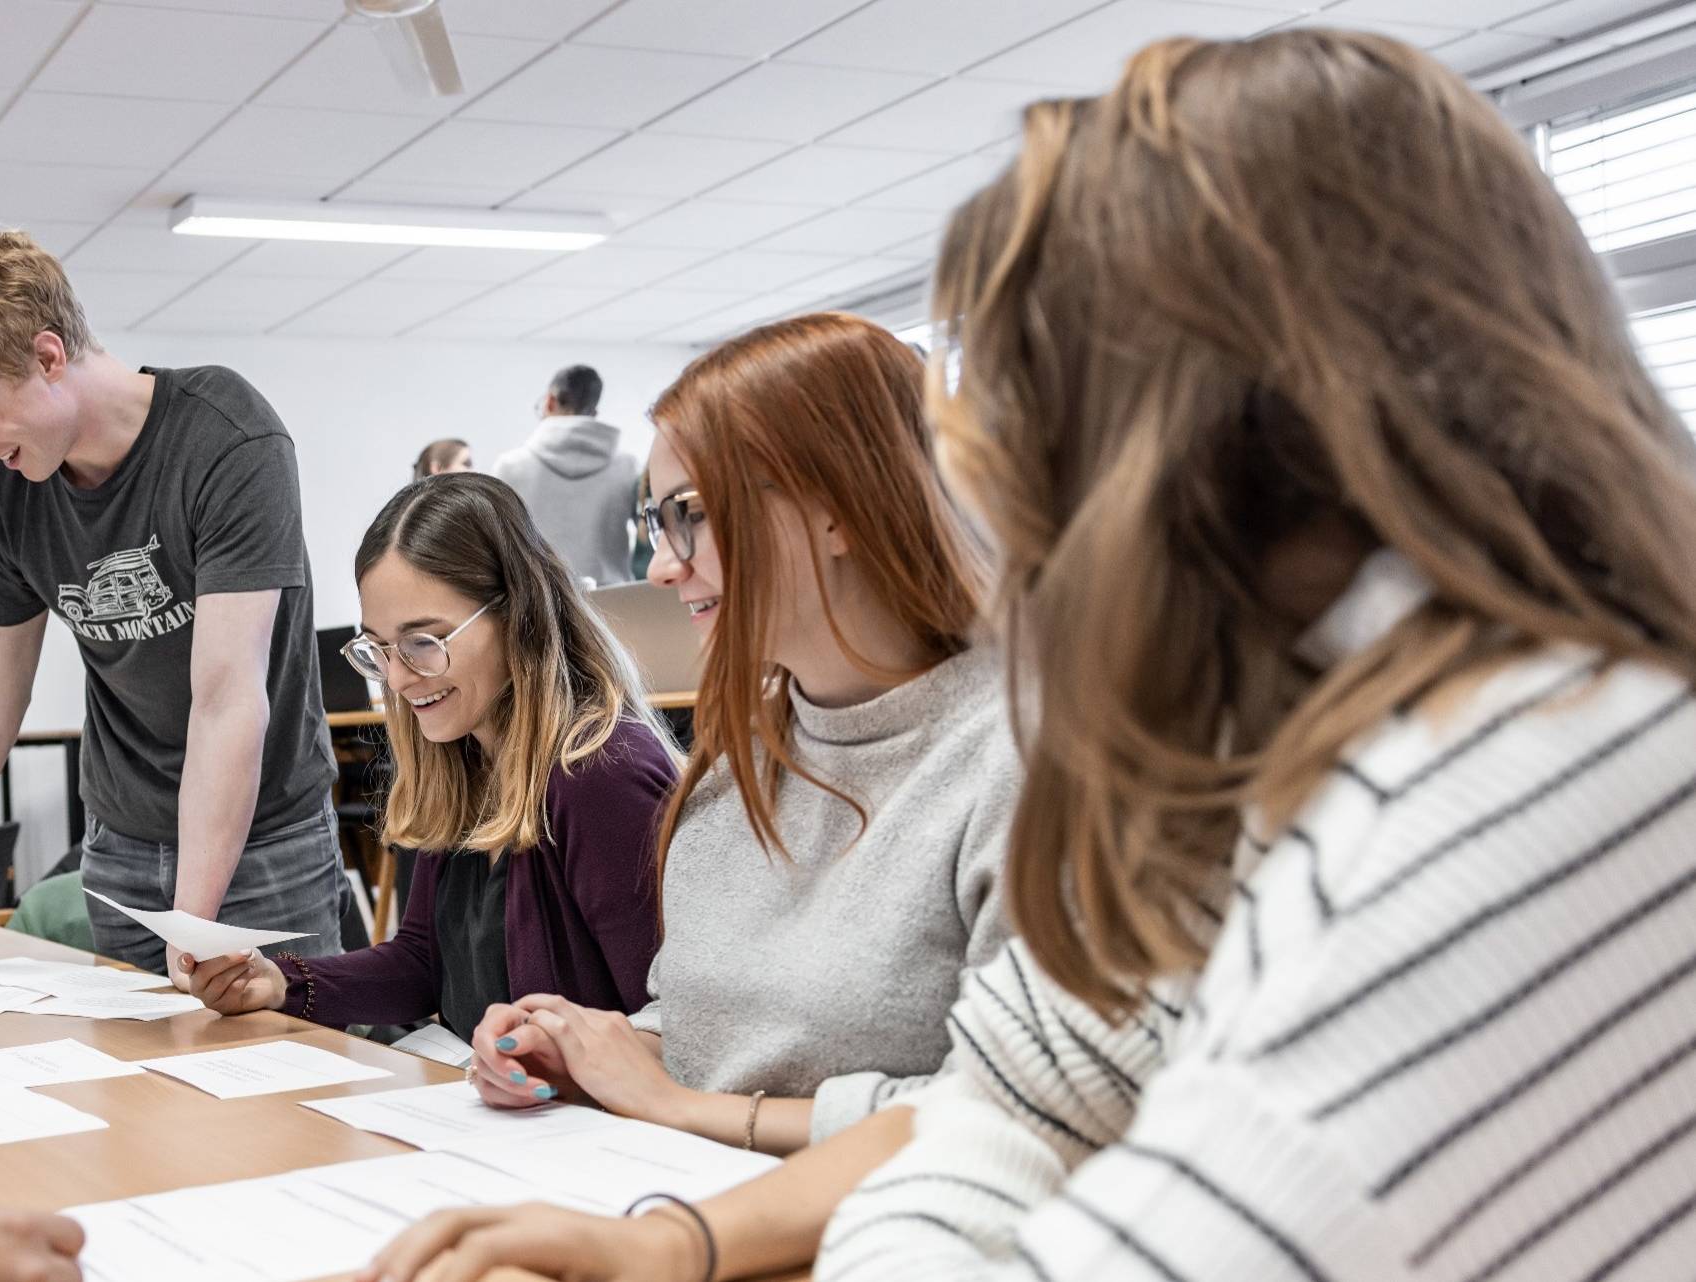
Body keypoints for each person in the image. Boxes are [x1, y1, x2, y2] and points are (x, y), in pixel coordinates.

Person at [373, 28, 1696, 1282]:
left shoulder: (1538, 767)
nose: (993, 497)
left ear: (1225, 426)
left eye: (1031, 419)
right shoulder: (1288, 742)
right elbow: (1018, 1101)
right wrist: (675, 1243)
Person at [468, 312, 1012, 1155]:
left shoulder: (1020, 763)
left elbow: (1021, 1110)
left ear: (838, 506)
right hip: (691, 1192)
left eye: (690, 514)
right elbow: (706, 1026)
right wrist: (591, 1054)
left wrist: (683, 1109)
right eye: (655, 523)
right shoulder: (737, 763)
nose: (662, 567)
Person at [0, 223, 344, 980]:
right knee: (138, 1059)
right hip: (122, 846)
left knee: (282, 1053)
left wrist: (193, 921)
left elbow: (227, 698)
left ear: (47, 357)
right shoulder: (2, 487)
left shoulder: (226, 438)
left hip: (265, 841)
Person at [184, 473, 675, 1038]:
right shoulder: (465, 757)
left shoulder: (600, 774)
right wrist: (279, 983)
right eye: (380, 649)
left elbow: (668, 1022)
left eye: (423, 642)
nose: (396, 679)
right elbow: (423, 962)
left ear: (517, 615)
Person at [494, 364, 641, 588]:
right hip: (612, 602)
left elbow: (495, 549)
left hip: (536, 600)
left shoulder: (509, 467)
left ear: (549, 402)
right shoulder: (628, 467)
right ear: (594, 412)